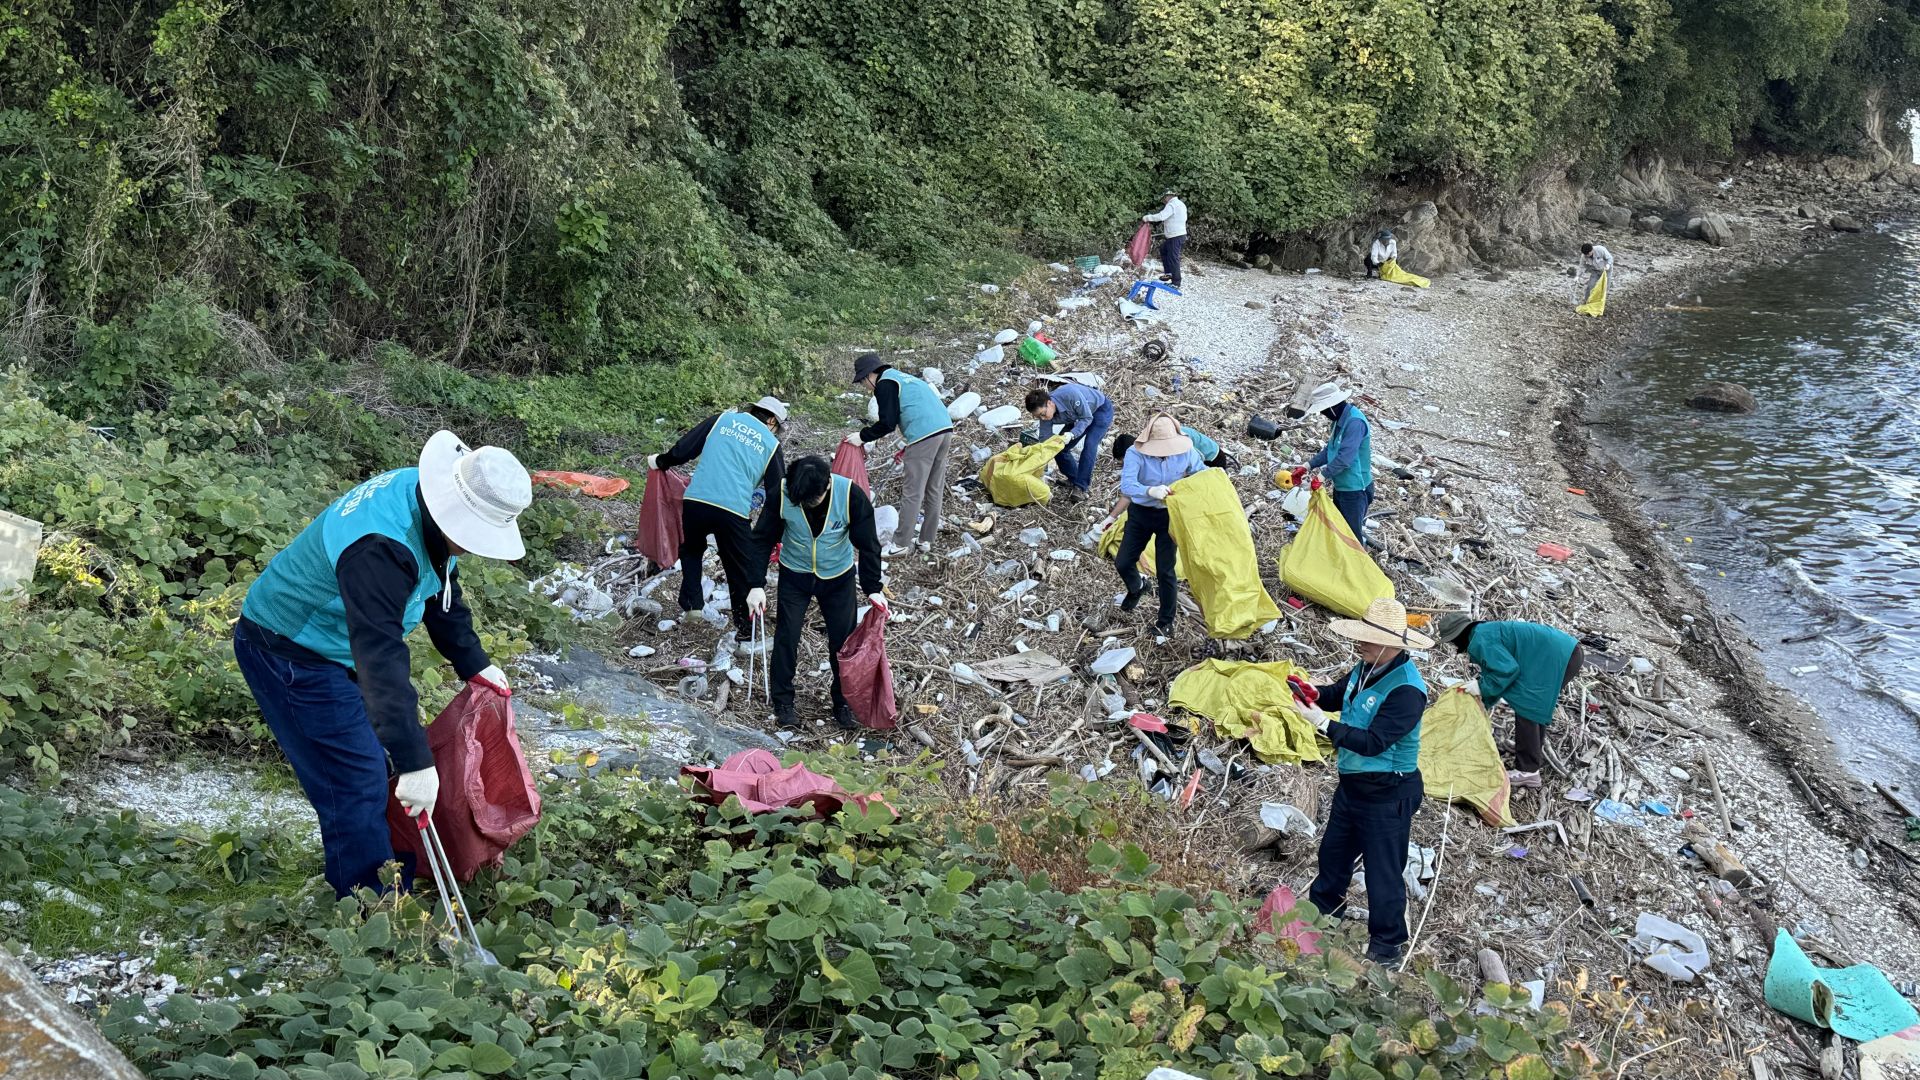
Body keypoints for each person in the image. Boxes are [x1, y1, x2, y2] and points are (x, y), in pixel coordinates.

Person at [234, 431, 530, 897]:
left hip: (337, 644)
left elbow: (440, 586)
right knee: (355, 778)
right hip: (291, 649)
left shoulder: (428, 498)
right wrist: (415, 763)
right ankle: (370, 907)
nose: (473, 548)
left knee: (377, 765)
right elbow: (380, 656)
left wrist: (472, 661)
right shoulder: (380, 547)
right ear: (454, 508)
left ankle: (387, 870)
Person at [1294, 597, 1434, 965]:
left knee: (1382, 871)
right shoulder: (1367, 666)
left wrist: (1321, 724)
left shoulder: (1407, 691)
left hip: (1388, 793)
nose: (1360, 643)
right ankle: (1321, 923)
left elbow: (1374, 743)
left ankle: (1386, 947)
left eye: (1368, 638)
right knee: (1333, 857)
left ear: (1392, 643)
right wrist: (1314, 694)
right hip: (1353, 786)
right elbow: (1341, 694)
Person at [746, 455, 886, 730]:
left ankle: (842, 702)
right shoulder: (784, 492)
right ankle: (783, 702)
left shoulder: (850, 496)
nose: (807, 505)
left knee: (842, 644)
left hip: (837, 577)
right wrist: (755, 584)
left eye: (812, 500)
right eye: (802, 500)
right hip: (795, 574)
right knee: (787, 636)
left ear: (827, 486)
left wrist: (873, 588)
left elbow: (869, 544)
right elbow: (762, 539)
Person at [648, 397, 788, 643]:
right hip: (732, 511)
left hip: (696, 501)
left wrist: (662, 461)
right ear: (772, 420)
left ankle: (693, 606)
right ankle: (746, 633)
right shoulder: (771, 443)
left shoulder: (723, 419)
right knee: (738, 568)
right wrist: (774, 531)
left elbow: (685, 448)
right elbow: (778, 492)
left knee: (691, 550)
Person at [1433, 613, 1584, 788]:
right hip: (1566, 653)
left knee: (1528, 704)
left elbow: (1506, 671)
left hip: (1562, 656)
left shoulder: (1480, 639)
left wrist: (1480, 688)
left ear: (1458, 636)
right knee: (1533, 704)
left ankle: (1528, 770)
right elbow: (1498, 673)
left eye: (1452, 641)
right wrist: (1483, 700)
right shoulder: (1483, 632)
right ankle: (1530, 751)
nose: (1453, 645)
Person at [850, 353, 953, 556]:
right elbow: (917, 409)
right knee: (934, 487)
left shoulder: (885, 384)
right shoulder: (902, 377)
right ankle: (925, 540)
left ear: (871, 374)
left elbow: (887, 423)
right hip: (944, 429)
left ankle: (900, 544)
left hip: (925, 434)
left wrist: (862, 436)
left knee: (912, 491)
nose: (865, 386)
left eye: (863, 381)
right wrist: (910, 443)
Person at [1113, 414, 1208, 634]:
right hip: (1141, 513)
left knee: (1166, 571)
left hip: (1169, 515)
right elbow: (1127, 485)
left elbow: (1200, 473)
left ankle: (1165, 623)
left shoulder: (1186, 451)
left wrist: (1211, 479)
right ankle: (1137, 587)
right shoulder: (1135, 453)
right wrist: (1149, 490)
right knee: (1123, 561)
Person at [1295, 381, 1374, 542]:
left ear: (1332, 406)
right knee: (1338, 531)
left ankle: (1357, 566)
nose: (1324, 414)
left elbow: (1345, 458)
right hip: (1342, 487)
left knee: (1351, 537)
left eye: (1324, 410)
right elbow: (1330, 450)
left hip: (1356, 489)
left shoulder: (1354, 423)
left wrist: (1322, 476)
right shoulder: (1339, 421)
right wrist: (1307, 466)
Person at [1026, 381, 1113, 500]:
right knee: (1059, 447)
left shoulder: (1070, 395)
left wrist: (1072, 434)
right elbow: (1045, 441)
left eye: (1043, 414)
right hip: (1077, 417)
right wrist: (1039, 466)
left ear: (1050, 403)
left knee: (1089, 445)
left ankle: (1081, 487)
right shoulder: (1045, 414)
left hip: (1099, 410)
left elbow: (1087, 417)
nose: (1042, 418)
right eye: (1038, 417)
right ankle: (1074, 479)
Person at [1142, 190, 1188, 289]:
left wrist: (1147, 218)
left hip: (1176, 236)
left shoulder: (1172, 205)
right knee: (1163, 249)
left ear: (1167, 196)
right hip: (1177, 234)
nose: (1163, 201)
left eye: (1163, 199)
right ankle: (1169, 274)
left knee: (1173, 257)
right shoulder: (1180, 204)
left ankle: (1176, 282)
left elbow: (1162, 216)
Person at [1577, 242, 1612, 307]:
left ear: (1592, 250)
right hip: (1595, 271)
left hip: (1606, 270)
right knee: (1590, 286)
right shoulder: (1584, 256)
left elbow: (1609, 258)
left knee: (1605, 287)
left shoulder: (1600, 250)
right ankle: (1586, 301)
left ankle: (1601, 303)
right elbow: (1581, 266)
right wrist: (1577, 276)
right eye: (1585, 254)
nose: (1587, 255)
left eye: (1588, 254)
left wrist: (1608, 265)